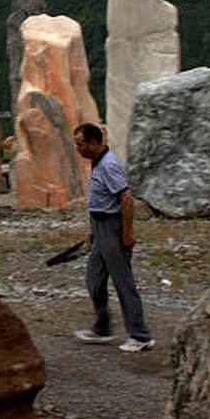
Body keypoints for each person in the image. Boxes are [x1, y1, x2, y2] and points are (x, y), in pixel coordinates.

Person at [71, 122, 154, 352]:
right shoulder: (96, 163)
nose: (78, 149)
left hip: (113, 228)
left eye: (81, 144)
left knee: (123, 282)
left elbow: (126, 200)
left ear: (94, 143)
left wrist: (127, 234)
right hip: (100, 228)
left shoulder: (109, 165)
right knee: (94, 280)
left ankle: (140, 335)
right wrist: (92, 231)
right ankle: (102, 327)